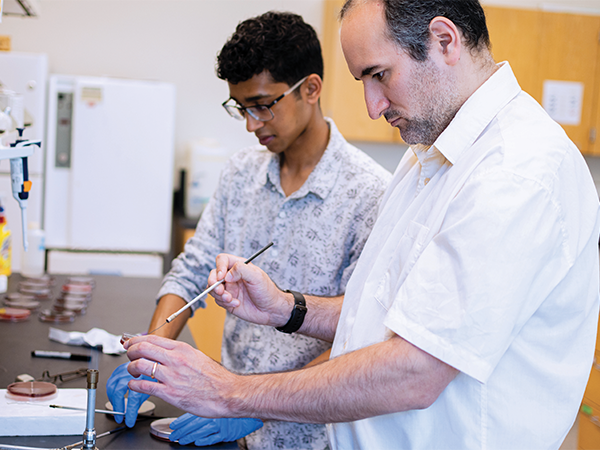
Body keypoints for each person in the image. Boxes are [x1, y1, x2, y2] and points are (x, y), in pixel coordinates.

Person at [123, 0, 600, 448]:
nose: (372, 106)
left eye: (379, 74)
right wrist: (287, 309)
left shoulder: (514, 174)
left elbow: (414, 369)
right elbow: (383, 313)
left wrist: (230, 394)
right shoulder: (430, 159)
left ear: (444, 40)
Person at [106, 10, 391, 450]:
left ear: (310, 89)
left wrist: (253, 405)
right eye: (241, 107)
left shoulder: (371, 194)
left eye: (262, 105)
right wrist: (151, 357)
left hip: (312, 437)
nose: (251, 124)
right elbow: (190, 271)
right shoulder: (240, 174)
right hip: (225, 425)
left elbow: (360, 337)